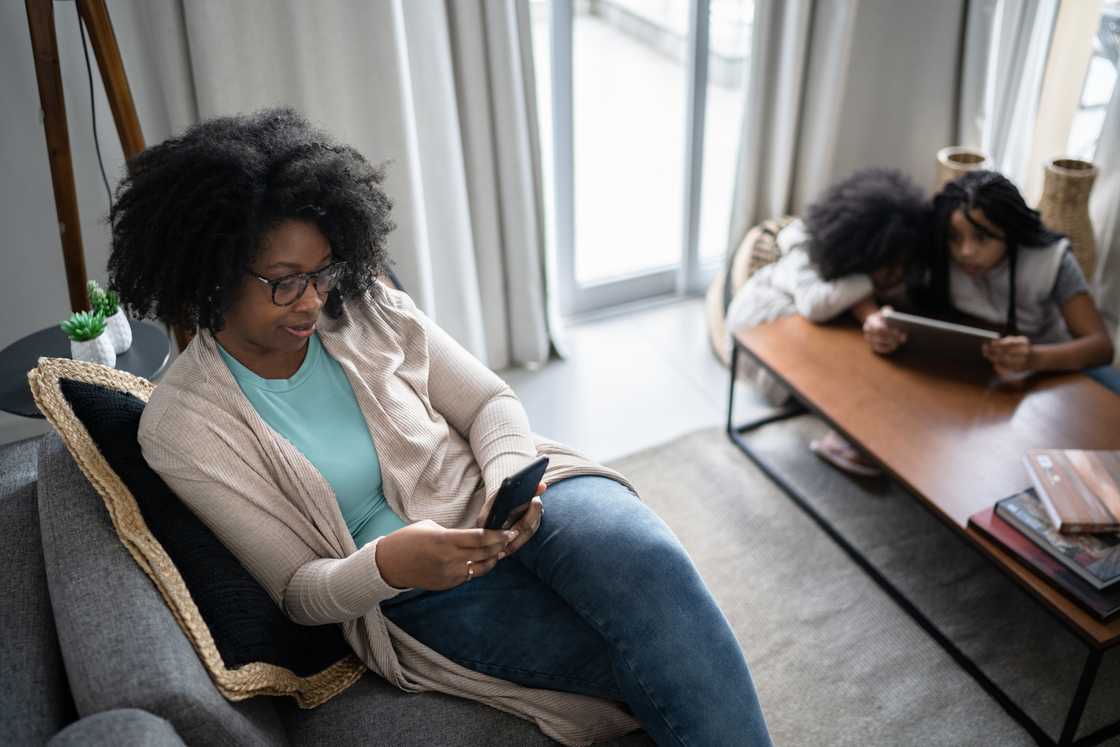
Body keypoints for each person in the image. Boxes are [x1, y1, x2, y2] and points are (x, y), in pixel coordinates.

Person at [111, 108, 772, 747]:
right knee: (621, 650)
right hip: (412, 592)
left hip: (511, 493)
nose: (313, 300)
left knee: (654, 571)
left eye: (320, 272)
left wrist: (509, 471)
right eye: (284, 282)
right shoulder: (184, 424)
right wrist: (389, 563)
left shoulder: (361, 302)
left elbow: (487, 402)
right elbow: (298, 590)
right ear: (212, 275)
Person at [725, 168, 931, 475]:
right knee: (850, 352)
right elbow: (815, 305)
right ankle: (844, 433)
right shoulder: (803, 249)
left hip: (798, 324)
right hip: (761, 324)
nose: (891, 275)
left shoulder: (856, 266)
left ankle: (865, 425)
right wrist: (871, 287)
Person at [908, 170, 1114, 381]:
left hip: (1050, 369)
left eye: (982, 237)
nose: (965, 252)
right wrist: (874, 318)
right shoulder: (936, 250)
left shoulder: (1052, 260)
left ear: (1010, 232)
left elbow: (1101, 347)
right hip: (972, 371)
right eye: (954, 238)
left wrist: (1035, 358)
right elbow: (883, 289)